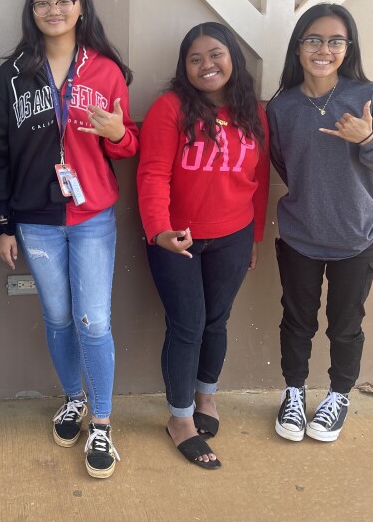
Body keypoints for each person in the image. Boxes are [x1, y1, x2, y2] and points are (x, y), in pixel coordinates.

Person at [0, 0, 138, 479]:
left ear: (81, 7)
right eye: (43, 2)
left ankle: (101, 422)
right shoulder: (10, 76)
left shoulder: (106, 71)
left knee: (93, 319)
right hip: (36, 219)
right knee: (56, 317)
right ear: (32, 11)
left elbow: (127, 146)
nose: (54, 10)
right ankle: (72, 397)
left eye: (64, 0)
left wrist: (118, 133)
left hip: (92, 213)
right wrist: (1, 224)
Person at [268, 3, 373, 442]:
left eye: (335, 41)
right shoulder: (282, 106)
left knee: (346, 324)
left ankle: (338, 395)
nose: (323, 49)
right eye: (313, 39)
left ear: (348, 47)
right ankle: (294, 392)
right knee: (297, 321)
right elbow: (285, 165)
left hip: (356, 236)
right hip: (300, 235)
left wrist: (367, 140)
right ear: (298, 47)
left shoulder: (368, 96)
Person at [137, 23, 269, 469]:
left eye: (215, 55)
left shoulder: (253, 111)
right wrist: (160, 231)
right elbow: (152, 174)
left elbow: (259, 180)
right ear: (184, 67)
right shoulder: (169, 108)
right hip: (177, 239)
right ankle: (179, 419)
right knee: (187, 325)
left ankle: (205, 396)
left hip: (233, 234)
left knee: (217, 320)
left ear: (233, 56)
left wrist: (253, 237)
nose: (206, 65)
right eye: (195, 59)